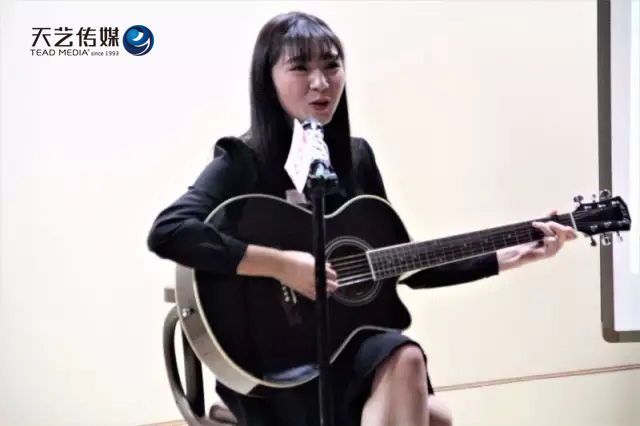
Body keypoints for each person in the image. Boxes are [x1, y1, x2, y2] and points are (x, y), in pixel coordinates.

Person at [147, 11, 577, 426]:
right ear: (268, 79)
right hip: (276, 363)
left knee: (432, 410)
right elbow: (169, 232)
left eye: (332, 66)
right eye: (300, 67)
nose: (321, 82)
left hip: (345, 350)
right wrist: (281, 265)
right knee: (412, 374)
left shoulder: (355, 157)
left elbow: (403, 263)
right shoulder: (242, 160)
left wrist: (511, 255)